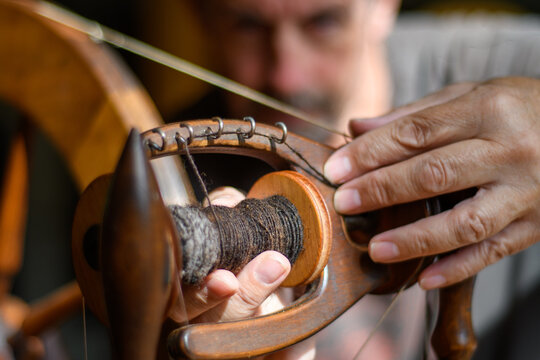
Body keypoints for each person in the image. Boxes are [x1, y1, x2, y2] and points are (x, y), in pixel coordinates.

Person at [174, 0, 540, 359]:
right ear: (199, 17)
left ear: (383, 6)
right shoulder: (167, 170)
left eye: (324, 22)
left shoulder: (509, 65)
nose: (286, 75)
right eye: (247, 25)